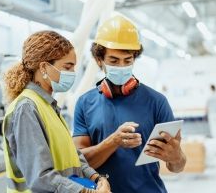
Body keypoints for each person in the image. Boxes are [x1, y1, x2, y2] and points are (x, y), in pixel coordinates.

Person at [73, 16, 186, 193]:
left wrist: (176, 156)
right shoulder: (85, 103)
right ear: (99, 60)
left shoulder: (156, 101)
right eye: (114, 61)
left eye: (127, 60)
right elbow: (78, 164)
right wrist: (114, 141)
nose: (121, 67)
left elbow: (177, 167)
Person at [2, 31, 110, 193]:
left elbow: (73, 157)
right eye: (67, 67)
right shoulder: (27, 108)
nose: (72, 73)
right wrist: (86, 192)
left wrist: (97, 178)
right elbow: (41, 177)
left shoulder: (48, 106)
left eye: (74, 67)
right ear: (44, 67)